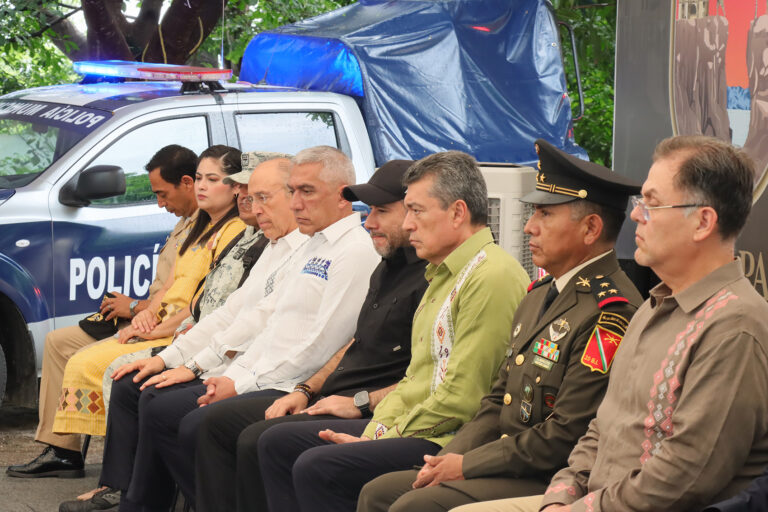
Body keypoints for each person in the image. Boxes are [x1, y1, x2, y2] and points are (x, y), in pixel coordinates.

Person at [453, 135, 768, 512]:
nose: (636, 214)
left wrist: (582, 508)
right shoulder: (654, 307)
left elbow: (685, 476)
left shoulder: (734, 327)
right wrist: (561, 496)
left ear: (702, 222)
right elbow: (600, 427)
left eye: (652, 203)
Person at [60, 146, 380, 512]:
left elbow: (321, 345)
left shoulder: (351, 250)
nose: (294, 204)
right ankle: (139, 501)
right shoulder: (307, 245)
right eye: (292, 192)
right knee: (149, 393)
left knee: (191, 419)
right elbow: (248, 316)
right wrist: (178, 361)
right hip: (256, 370)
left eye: (303, 192)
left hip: (291, 383)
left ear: (343, 195)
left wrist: (231, 380)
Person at [356, 139, 644, 511]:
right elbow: (497, 399)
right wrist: (447, 461)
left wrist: (468, 464)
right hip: (504, 457)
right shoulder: (540, 293)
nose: (528, 228)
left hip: (553, 474)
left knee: (411, 505)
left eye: (544, 215)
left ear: (590, 228)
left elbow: (566, 434)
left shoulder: (609, 313)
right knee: (378, 491)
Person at [257, 150, 530, 512]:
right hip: (417, 424)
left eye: (416, 211)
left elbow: (464, 399)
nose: (410, 224)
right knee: (278, 443)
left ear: (458, 213)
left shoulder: (490, 275)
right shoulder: (443, 271)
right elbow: (415, 380)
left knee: (317, 464)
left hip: (450, 438)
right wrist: (376, 431)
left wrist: (381, 433)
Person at [187, 159, 429, 512]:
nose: (370, 221)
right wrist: (306, 390)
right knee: (210, 422)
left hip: (369, 404)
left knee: (254, 436)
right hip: (327, 389)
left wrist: (359, 402)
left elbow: (428, 377)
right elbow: (349, 342)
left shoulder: (396, 263)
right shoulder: (385, 263)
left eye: (382, 211)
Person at [6, 144, 199, 479]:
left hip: (165, 325)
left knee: (90, 359)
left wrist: (137, 308)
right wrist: (134, 306)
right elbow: (168, 288)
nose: (159, 204)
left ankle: (122, 472)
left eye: (163, 194)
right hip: (145, 313)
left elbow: (187, 299)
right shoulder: (188, 221)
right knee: (58, 342)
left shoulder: (210, 229)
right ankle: (62, 449)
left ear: (187, 183)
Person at [47, 145, 245, 444]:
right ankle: (68, 453)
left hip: (180, 332)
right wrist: (148, 313)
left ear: (236, 187)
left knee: (96, 366)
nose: (203, 186)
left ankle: (112, 471)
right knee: (69, 349)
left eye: (213, 179)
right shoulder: (197, 225)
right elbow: (169, 285)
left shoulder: (235, 231)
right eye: (201, 177)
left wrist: (147, 321)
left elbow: (201, 306)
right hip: (156, 322)